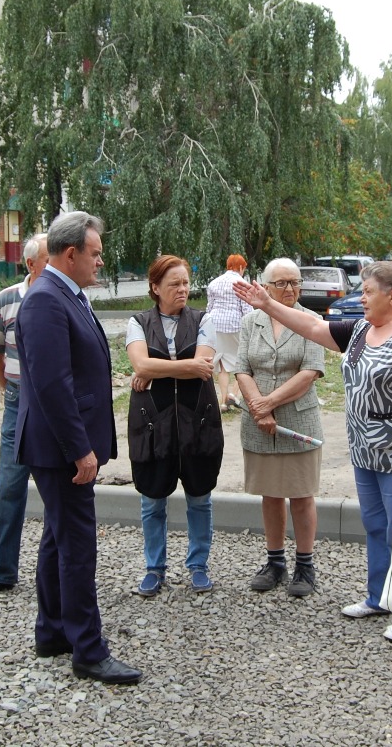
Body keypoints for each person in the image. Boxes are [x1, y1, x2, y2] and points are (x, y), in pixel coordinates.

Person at [234, 260, 392, 643]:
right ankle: (378, 597)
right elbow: (312, 327)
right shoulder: (362, 330)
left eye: (367, 291)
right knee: (376, 525)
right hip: (365, 451)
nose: (361, 298)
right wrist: (266, 304)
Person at [15, 211, 142, 685]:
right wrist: (79, 449)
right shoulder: (46, 300)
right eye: (95, 253)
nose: (101, 261)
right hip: (59, 449)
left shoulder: (66, 294)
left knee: (57, 537)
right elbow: (52, 385)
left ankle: (52, 630)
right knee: (76, 546)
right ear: (71, 254)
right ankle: (88, 649)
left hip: (60, 445)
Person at [125, 255, 223, 596]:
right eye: (174, 284)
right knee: (152, 499)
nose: (183, 290)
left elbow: (204, 367)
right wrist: (149, 368)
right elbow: (139, 362)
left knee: (200, 496)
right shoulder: (138, 322)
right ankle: (154, 568)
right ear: (155, 288)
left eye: (185, 283)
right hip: (154, 422)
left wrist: (152, 370)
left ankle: (198, 565)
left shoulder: (204, 319)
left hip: (197, 418)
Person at [234, 258, 325, 596]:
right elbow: (242, 367)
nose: (290, 289)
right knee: (270, 494)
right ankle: (275, 562)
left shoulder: (311, 321)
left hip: (297, 420)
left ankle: (305, 565)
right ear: (266, 286)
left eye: (295, 283)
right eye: (282, 283)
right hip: (258, 424)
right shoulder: (250, 322)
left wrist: (268, 404)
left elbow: (311, 370)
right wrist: (258, 407)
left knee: (302, 495)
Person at [0, 232, 49, 597]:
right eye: (51, 257)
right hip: (19, 400)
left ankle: (61, 571)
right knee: (9, 487)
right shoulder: (6, 301)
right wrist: (12, 392)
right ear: (31, 264)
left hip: (54, 403)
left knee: (60, 490)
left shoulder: (67, 297)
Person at [205, 254, 252, 410]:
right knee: (244, 361)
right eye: (243, 268)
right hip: (234, 326)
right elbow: (246, 309)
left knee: (222, 364)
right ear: (240, 267)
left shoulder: (214, 283)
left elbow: (209, 307)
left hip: (215, 324)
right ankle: (233, 394)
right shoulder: (241, 283)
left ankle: (224, 402)